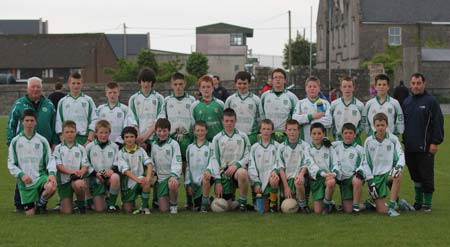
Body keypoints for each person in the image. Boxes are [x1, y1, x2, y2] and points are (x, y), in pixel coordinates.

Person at [7, 76, 58, 211]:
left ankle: (41, 203)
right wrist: (10, 140)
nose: (35, 89)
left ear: (41, 89)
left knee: (42, 172)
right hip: (23, 144)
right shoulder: (19, 104)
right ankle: (20, 203)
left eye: (38, 87)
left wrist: (54, 142)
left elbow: (54, 124)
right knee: (24, 171)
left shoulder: (49, 104)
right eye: (33, 87)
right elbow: (11, 124)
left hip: (43, 144)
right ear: (27, 88)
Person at [402, 73, 444, 212]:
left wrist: (435, 142)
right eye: (413, 83)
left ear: (423, 84)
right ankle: (418, 202)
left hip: (425, 147)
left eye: (418, 83)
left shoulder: (431, 101)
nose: (416, 86)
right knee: (415, 176)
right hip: (409, 146)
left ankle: (427, 203)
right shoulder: (407, 102)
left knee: (426, 176)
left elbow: (438, 123)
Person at [164, 72, 196, 208]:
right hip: (171, 140)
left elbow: (195, 122)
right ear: (172, 85)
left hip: (187, 139)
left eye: (180, 84)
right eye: (175, 84)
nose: (178, 87)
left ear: (185, 84)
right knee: (167, 169)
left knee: (187, 170)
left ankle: (190, 201)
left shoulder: (192, 100)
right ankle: (162, 199)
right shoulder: (166, 101)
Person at [209, 108, 251, 211]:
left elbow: (248, 155)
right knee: (226, 206)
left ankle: (243, 203)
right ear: (222, 121)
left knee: (242, 173)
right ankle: (230, 201)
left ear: (235, 121)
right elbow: (214, 160)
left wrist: (237, 165)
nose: (229, 123)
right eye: (226, 121)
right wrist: (218, 180)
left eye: (232, 121)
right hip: (223, 172)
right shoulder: (217, 138)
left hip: (237, 171)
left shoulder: (243, 136)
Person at [363, 113, 405, 217]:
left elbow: (401, 155)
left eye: (382, 125)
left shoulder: (393, 139)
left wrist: (398, 167)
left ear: (387, 125)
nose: (380, 127)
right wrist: (370, 180)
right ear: (374, 126)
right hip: (376, 176)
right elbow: (365, 162)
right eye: (378, 125)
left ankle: (392, 205)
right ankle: (373, 204)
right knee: (381, 211)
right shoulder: (368, 141)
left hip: (388, 174)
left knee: (398, 175)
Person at [273, 120, 313, 213]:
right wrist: (286, 187)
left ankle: (303, 205)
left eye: (294, 129)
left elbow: (306, 163)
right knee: (286, 207)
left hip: (299, 178)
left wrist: (301, 175)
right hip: (286, 180)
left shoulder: (305, 145)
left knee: (298, 184)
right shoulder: (281, 147)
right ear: (285, 131)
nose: (292, 132)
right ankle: (277, 201)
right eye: (289, 130)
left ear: (299, 131)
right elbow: (281, 168)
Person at [53, 120, 89, 214]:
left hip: (76, 179)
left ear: (76, 132)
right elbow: (58, 166)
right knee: (67, 212)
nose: (69, 134)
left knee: (80, 185)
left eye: (72, 132)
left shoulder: (81, 148)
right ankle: (67, 202)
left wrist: (81, 172)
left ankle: (81, 205)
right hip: (64, 182)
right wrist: (71, 172)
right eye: (67, 132)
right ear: (63, 134)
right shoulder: (58, 148)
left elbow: (85, 165)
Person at [85, 120, 121, 212]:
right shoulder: (89, 147)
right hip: (95, 178)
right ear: (96, 133)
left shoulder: (114, 147)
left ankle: (111, 205)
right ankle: (92, 200)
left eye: (106, 132)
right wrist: (95, 174)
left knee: (115, 177)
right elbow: (86, 163)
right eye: (101, 133)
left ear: (110, 133)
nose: (103, 135)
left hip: (108, 178)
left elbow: (118, 162)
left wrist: (112, 170)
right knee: (99, 209)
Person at [127, 68, 166, 151]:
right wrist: (139, 138)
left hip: (155, 139)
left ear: (152, 82)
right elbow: (132, 120)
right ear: (140, 82)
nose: (146, 84)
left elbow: (159, 120)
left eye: (148, 81)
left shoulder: (159, 98)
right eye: (143, 81)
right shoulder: (133, 99)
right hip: (138, 139)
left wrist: (145, 137)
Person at [185, 121, 221, 212]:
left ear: (206, 131)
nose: (200, 133)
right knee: (197, 205)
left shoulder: (210, 146)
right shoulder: (190, 147)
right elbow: (188, 167)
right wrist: (188, 183)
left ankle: (204, 205)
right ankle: (209, 199)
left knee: (206, 177)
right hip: (195, 183)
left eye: (202, 130)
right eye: (198, 130)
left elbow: (213, 161)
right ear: (194, 131)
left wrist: (208, 170)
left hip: (206, 177)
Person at [55, 72, 97, 146]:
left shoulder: (88, 100)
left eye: (78, 83)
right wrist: (63, 141)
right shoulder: (62, 101)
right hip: (67, 140)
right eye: (73, 83)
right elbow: (59, 122)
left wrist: (89, 141)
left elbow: (94, 120)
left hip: (84, 139)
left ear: (82, 84)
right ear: (69, 84)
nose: (76, 86)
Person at [118, 126, 153, 214]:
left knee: (146, 183)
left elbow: (149, 164)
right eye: (126, 137)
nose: (129, 139)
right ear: (123, 139)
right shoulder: (121, 153)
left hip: (140, 179)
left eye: (131, 136)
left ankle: (144, 207)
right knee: (128, 210)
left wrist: (148, 178)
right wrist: (137, 180)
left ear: (135, 137)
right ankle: (129, 201)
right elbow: (126, 171)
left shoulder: (141, 150)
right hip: (128, 185)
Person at [150, 118, 182, 214]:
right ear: (156, 131)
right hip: (160, 179)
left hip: (170, 176)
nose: (162, 133)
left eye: (165, 131)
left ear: (169, 131)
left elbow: (177, 161)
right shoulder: (154, 144)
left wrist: (173, 175)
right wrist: (153, 173)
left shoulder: (174, 144)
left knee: (172, 183)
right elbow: (152, 161)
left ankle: (174, 205)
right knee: (163, 209)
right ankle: (158, 199)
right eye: (159, 131)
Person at [247, 119, 280, 212]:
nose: (266, 131)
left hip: (271, 177)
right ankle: (260, 198)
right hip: (259, 179)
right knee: (263, 210)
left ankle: (273, 203)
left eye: (268, 129)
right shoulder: (254, 147)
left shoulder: (277, 146)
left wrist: (275, 171)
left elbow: (279, 162)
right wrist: (256, 182)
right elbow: (251, 166)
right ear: (260, 130)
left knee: (274, 179)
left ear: (272, 131)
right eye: (264, 129)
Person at [332, 123, 365, 213]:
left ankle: (357, 206)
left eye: (350, 133)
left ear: (355, 135)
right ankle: (327, 203)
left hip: (350, 178)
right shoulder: (336, 146)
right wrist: (325, 140)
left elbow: (363, 164)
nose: (348, 135)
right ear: (342, 135)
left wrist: (360, 172)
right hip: (338, 176)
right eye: (346, 133)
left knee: (348, 210)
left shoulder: (360, 149)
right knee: (328, 180)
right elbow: (322, 143)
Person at [307, 123, 339, 214]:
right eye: (314, 134)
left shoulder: (329, 147)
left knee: (331, 182)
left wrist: (334, 173)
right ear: (310, 134)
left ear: (324, 134)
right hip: (316, 179)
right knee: (317, 211)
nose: (316, 136)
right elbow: (311, 165)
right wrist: (322, 173)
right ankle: (330, 203)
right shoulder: (308, 148)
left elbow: (336, 162)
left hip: (328, 177)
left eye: (319, 133)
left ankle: (326, 203)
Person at [260, 68, 298, 142]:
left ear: (285, 80)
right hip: (269, 134)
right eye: (275, 77)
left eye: (280, 77)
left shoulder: (292, 97)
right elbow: (262, 114)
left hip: (285, 135)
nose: (278, 79)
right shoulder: (265, 96)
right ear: (272, 80)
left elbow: (295, 116)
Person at [292, 76, 332, 143]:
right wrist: (313, 116)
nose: (312, 88)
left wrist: (308, 120)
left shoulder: (325, 103)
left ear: (319, 89)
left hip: (321, 143)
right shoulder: (300, 103)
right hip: (304, 142)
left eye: (315, 86)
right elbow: (295, 119)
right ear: (306, 88)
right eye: (310, 86)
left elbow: (328, 121)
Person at [224, 71, 260, 144]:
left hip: (251, 136)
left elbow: (260, 118)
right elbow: (225, 118)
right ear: (235, 84)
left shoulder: (256, 100)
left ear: (249, 84)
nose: (242, 86)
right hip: (234, 135)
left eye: (244, 83)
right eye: (239, 83)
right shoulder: (230, 100)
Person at [330, 76, 364, 144]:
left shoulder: (360, 105)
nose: (347, 89)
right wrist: (334, 134)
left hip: (355, 140)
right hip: (339, 139)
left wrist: (355, 133)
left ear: (353, 88)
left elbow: (363, 123)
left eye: (349, 86)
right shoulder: (334, 104)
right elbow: (331, 123)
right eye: (344, 86)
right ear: (341, 88)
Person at [191, 75, 224, 141]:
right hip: (201, 141)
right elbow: (192, 125)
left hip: (218, 140)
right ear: (200, 89)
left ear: (213, 88)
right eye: (203, 87)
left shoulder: (220, 104)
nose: (206, 89)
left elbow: (224, 123)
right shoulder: (194, 105)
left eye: (208, 87)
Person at [96, 82, 129, 147]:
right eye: (110, 93)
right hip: (103, 143)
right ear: (106, 94)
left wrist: (119, 142)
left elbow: (126, 127)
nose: (112, 95)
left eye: (114, 92)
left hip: (119, 144)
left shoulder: (125, 109)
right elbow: (97, 127)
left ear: (118, 93)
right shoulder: (100, 109)